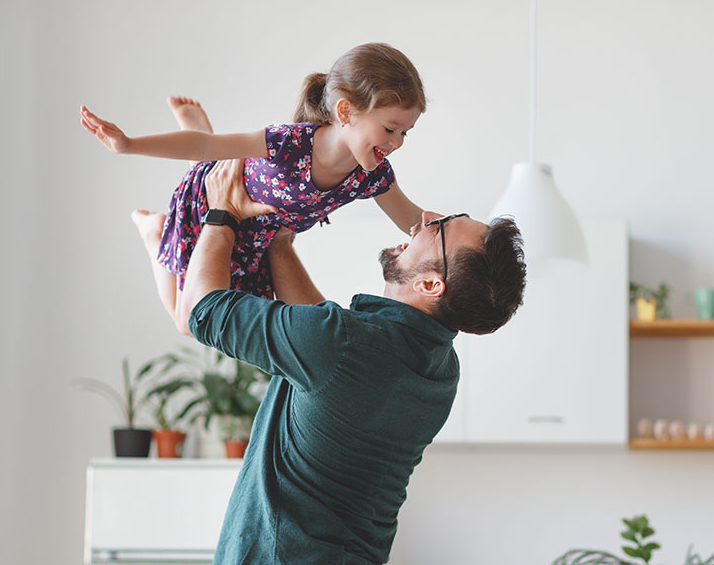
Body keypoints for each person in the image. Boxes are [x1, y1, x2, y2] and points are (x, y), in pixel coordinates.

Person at [175, 157, 526, 564]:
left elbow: (200, 311)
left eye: (440, 227)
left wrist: (222, 214)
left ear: (431, 284)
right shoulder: (440, 370)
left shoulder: (343, 344)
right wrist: (279, 241)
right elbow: (328, 358)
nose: (424, 218)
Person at [79, 43, 428, 334]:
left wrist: (478, 233)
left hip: (255, 240)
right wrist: (128, 144)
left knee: (211, 319)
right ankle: (155, 232)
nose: (397, 143)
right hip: (210, 208)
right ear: (345, 111)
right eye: (390, 129)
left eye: (405, 133)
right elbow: (201, 145)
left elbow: (414, 219)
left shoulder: (372, 175)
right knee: (188, 323)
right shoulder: (289, 143)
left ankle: (206, 155)